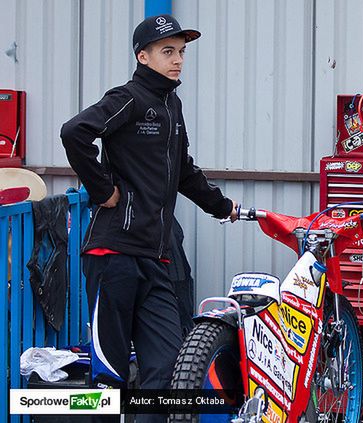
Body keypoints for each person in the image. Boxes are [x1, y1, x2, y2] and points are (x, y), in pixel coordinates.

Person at [60, 14, 237, 420]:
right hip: (113, 255)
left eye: (181, 52)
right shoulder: (129, 97)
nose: (177, 60)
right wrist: (103, 190)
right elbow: (75, 133)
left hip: (156, 260)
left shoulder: (171, 106)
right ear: (143, 56)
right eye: (167, 51)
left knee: (167, 372)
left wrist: (222, 206)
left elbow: (184, 170)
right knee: (110, 377)